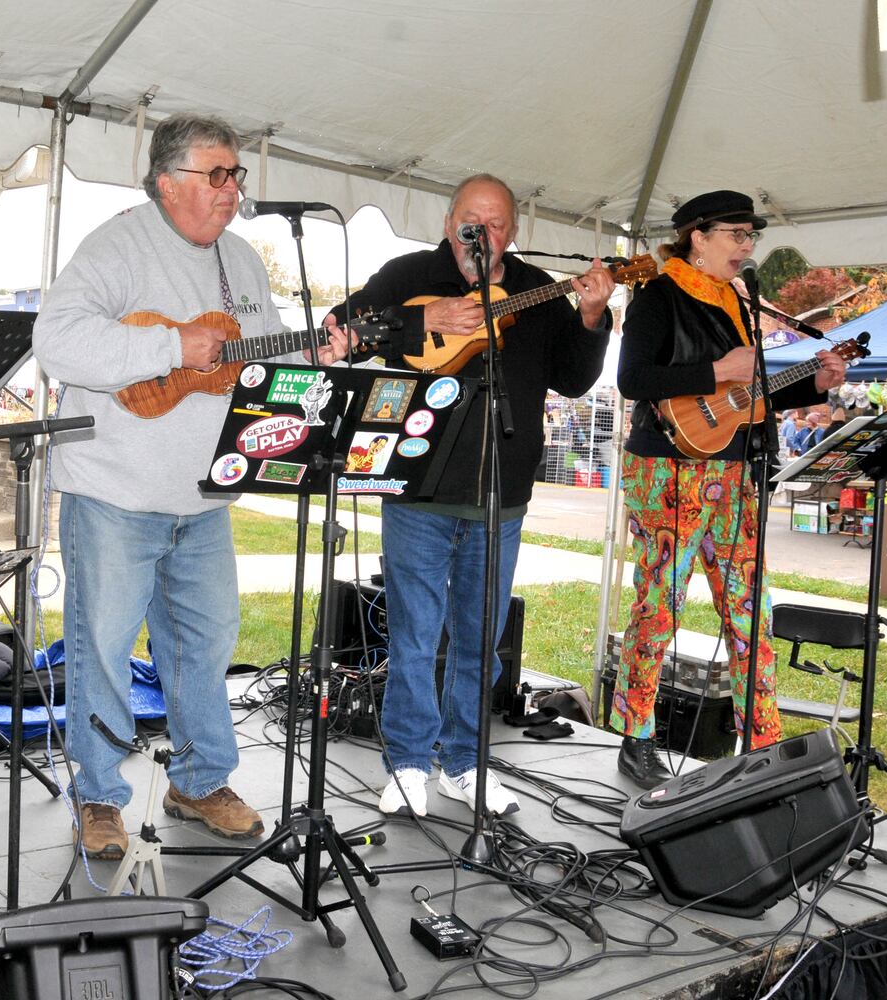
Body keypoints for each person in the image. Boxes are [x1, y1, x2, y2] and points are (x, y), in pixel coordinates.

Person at [33, 113, 353, 860]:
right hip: (114, 491)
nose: (231, 189)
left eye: (235, 175)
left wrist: (317, 351)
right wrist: (169, 344)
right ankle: (99, 797)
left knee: (204, 647)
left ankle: (200, 780)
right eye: (216, 175)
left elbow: (262, 360)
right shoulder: (117, 244)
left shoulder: (242, 260)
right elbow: (56, 341)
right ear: (167, 182)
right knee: (103, 652)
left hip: (203, 497)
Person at [325, 173, 615, 818]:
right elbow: (341, 330)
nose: (481, 233)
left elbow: (572, 379)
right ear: (450, 219)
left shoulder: (538, 291)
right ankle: (405, 764)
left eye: (497, 223)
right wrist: (420, 319)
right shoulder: (406, 274)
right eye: (470, 220)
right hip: (418, 490)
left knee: (480, 642)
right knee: (414, 638)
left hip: (500, 497)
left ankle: (463, 764)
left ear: (512, 233)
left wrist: (593, 316)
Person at [608, 190, 846, 788]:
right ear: (698, 236)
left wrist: (813, 383)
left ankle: (760, 742)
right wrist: (717, 369)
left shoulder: (739, 303)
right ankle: (635, 734)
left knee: (749, 608)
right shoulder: (659, 296)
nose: (746, 246)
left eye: (751, 236)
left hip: (738, 470)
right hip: (670, 469)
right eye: (737, 234)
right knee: (659, 605)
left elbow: (750, 393)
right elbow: (633, 377)